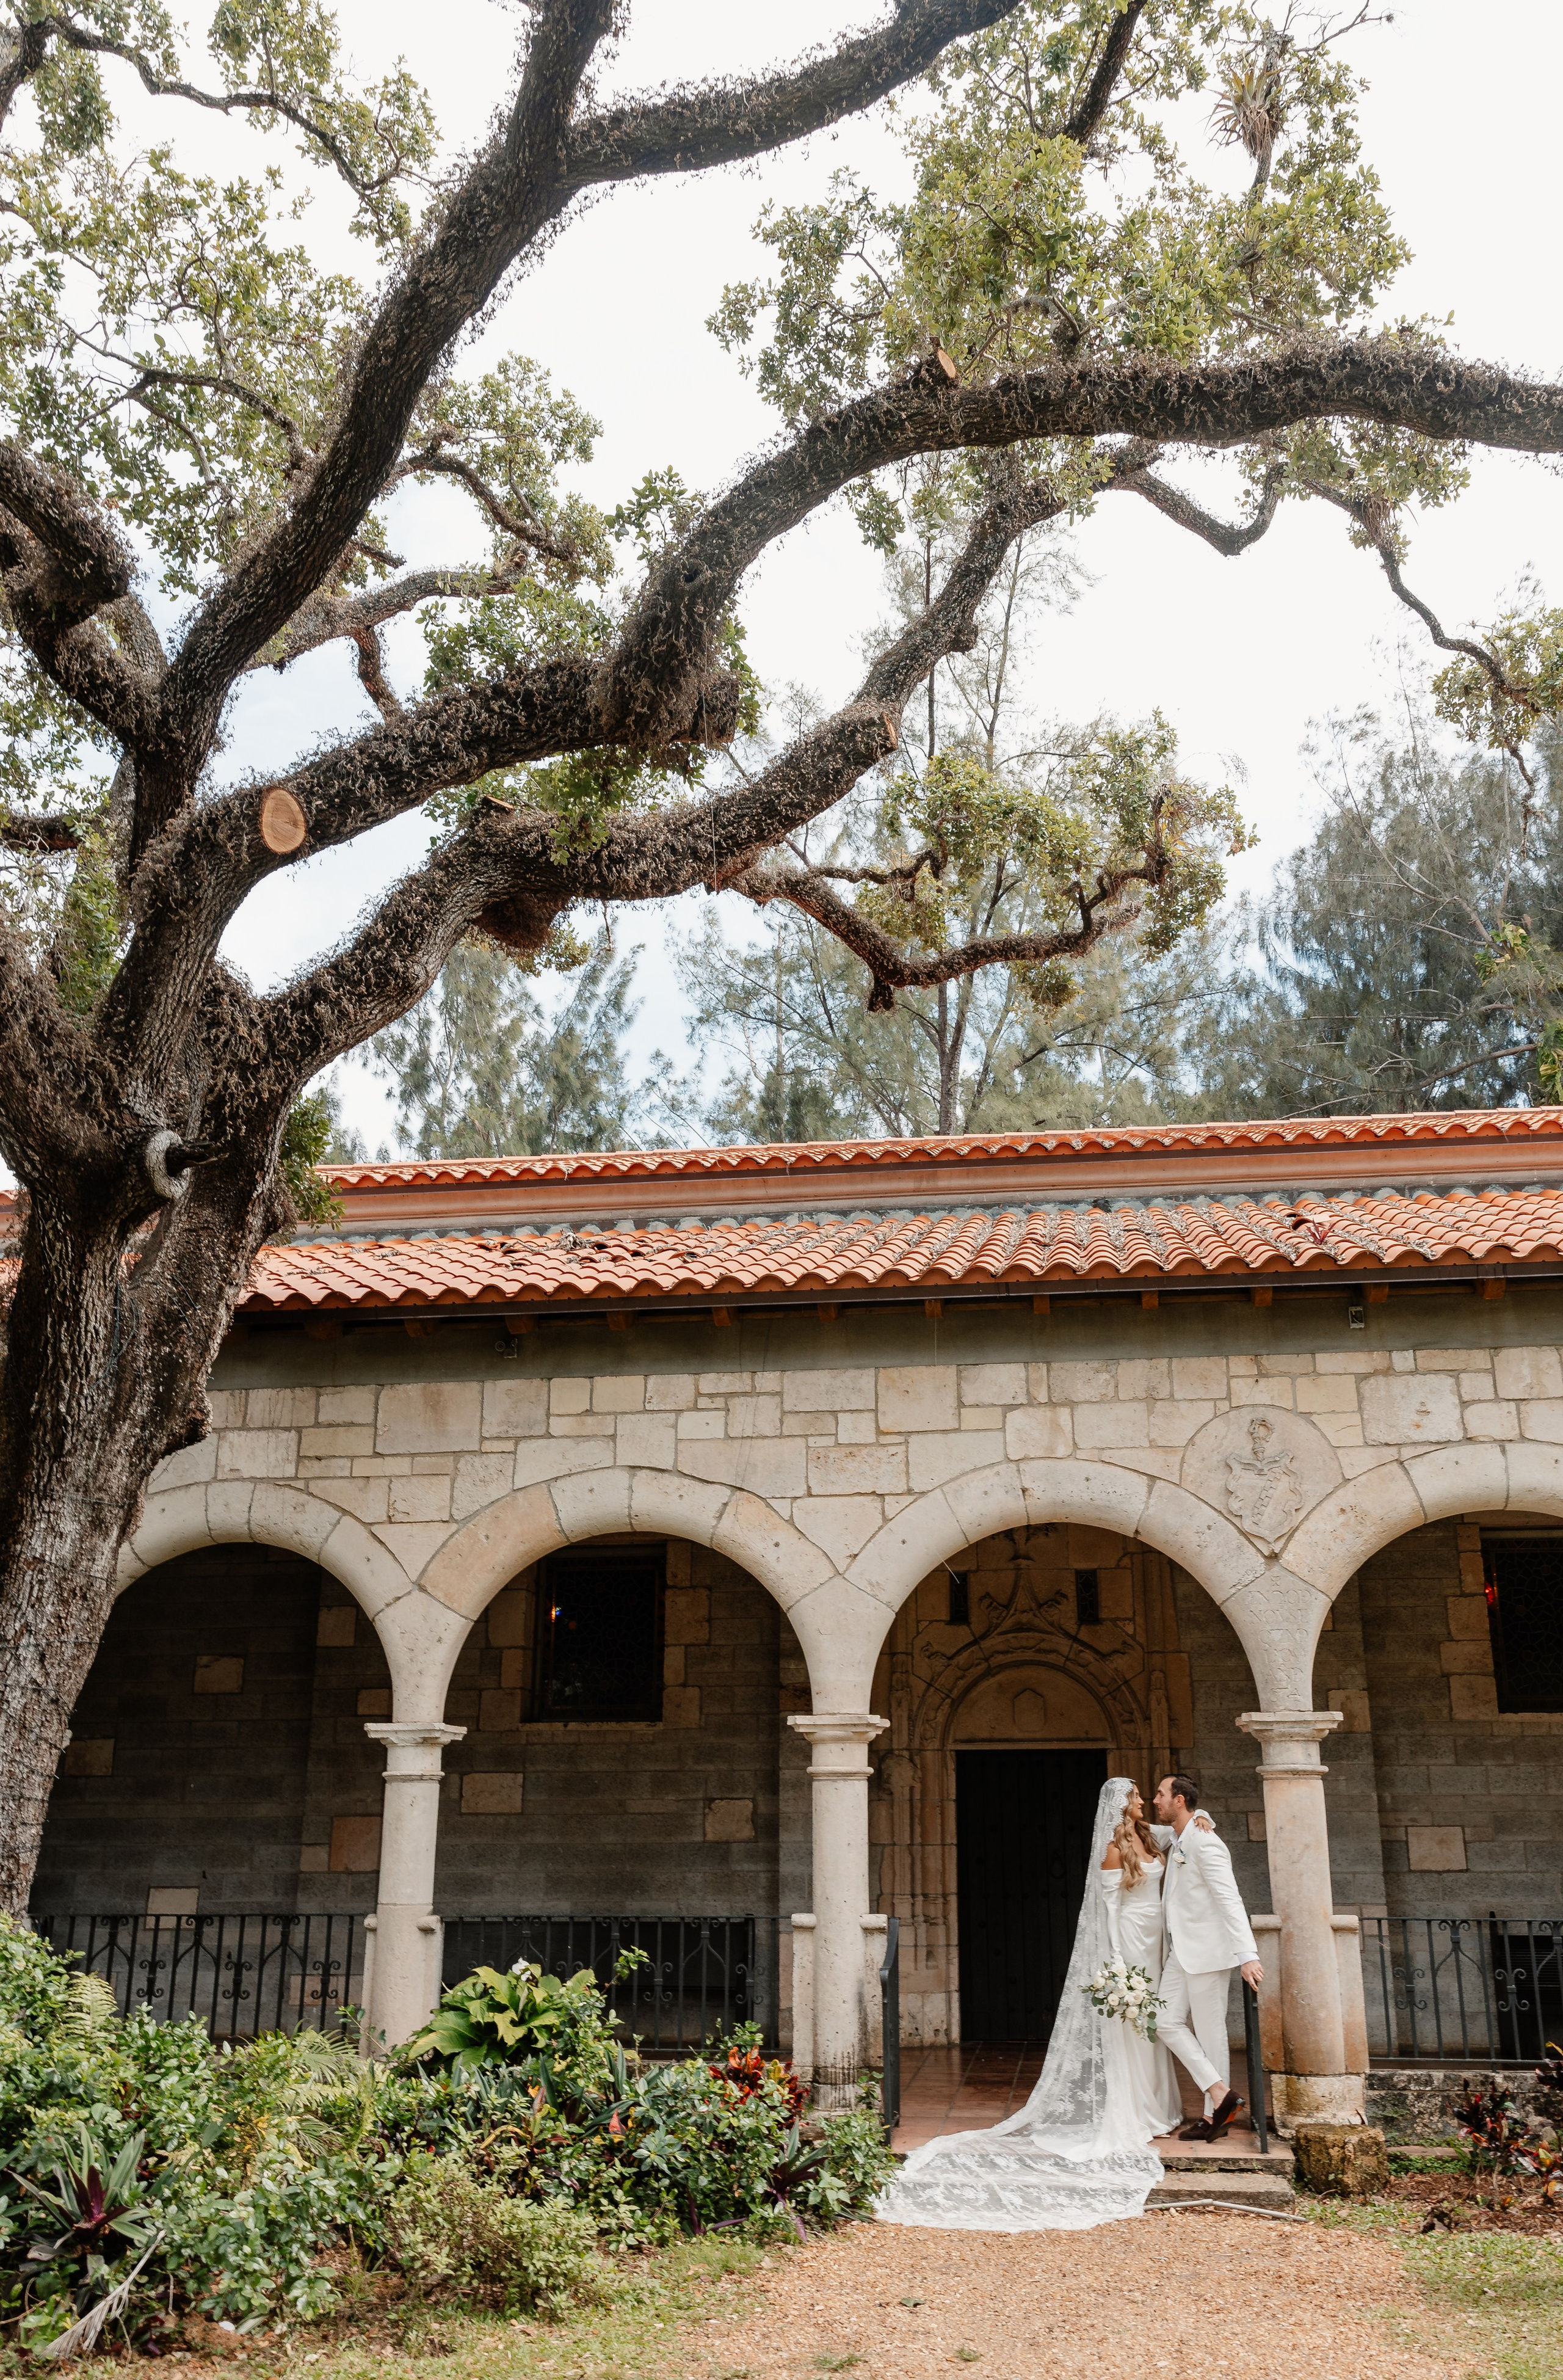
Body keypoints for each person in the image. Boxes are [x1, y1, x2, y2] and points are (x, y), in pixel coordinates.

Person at [876, 1775, 1208, 2232]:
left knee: (1152, 2022)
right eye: (1135, 1797)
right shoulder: (1113, 1849)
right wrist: (1114, 1963)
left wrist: (1203, 1816)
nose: (1143, 1800)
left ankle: (1160, 2106)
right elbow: (1108, 1909)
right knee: (1130, 2024)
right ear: (1120, 1806)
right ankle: (1134, 2109)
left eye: (1144, 1795)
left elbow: (1185, 1828)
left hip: (1157, 1942)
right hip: (1130, 1941)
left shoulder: (1152, 1834)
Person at [1151, 1773, 1263, 2141]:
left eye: (1161, 1795)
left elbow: (1230, 1898)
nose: (1156, 1800)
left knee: (1211, 2034)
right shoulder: (1180, 1835)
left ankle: (1216, 2117)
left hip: (1208, 1953)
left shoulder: (1205, 1842)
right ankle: (1222, 2095)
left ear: (1179, 1800)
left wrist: (1247, 1954)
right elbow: (1144, 1830)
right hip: (1180, 1952)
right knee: (1165, 2022)